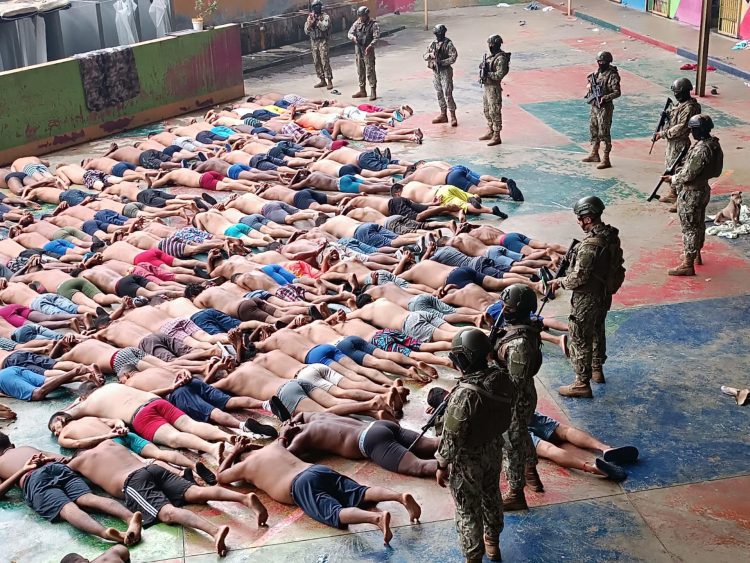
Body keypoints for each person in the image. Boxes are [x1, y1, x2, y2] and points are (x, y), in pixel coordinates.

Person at [67, 440, 268, 557]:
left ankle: (215, 532)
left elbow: (62, 471)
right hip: (152, 468)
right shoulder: (108, 443)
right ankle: (245, 499)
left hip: (132, 482)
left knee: (167, 513)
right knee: (195, 493)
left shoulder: (77, 461)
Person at [217, 438, 421, 545]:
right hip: (314, 469)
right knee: (361, 491)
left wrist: (234, 452)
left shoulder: (244, 466)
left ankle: (375, 519)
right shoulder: (273, 447)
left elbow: (221, 476)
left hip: (298, 485)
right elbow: (281, 439)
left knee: (335, 512)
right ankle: (399, 497)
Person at [435, 329, 513, 563]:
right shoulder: (501, 379)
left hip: (468, 460)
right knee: (491, 495)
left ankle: (473, 556)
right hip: (493, 449)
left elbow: (451, 436)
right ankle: (493, 544)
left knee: (467, 509)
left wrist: (441, 463)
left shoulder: (463, 396)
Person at [0, 432, 142, 545]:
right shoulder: (26, 448)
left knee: (68, 509)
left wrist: (22, 471)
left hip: (32, 478)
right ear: (11, 445)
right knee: (88, 498)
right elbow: (62, 458)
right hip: (55, 467)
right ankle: (129, 517)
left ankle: (105, 533)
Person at [550, 196, 625, 398]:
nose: (579, 222)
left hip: (586, 298)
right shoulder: (610, 236)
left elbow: (579, 278)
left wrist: (560, 281)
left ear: (588, 218)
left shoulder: (590, 245)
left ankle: (581, 383)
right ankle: (596, 369)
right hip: (603, 294)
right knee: (597, 329)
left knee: (580, 336)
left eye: (580, 217)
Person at [491, 285, 545, 510]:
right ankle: (530, 470)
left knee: (511, 442)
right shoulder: (517, 330)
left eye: (508, 307)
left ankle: (515, 492)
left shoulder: (519, 344)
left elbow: (515, 381)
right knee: (521, 434)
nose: (504, 310)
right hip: (518, 396)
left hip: (515, 399)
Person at [280, 411, 438, 477]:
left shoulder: (303, 437)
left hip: (369, 441)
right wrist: (291, 423)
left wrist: (282, 436)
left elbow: (282, 456)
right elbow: (300, 414)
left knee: (419, 466)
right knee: (430, 443)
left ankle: (453, 467)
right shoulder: (314, 417)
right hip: (378, 425)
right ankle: (460, 446)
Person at [661, 114, 723, 276]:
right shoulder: (713, 145)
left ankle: (688, 263)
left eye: (692, 129)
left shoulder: (702, 149)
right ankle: (695, 254)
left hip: (691, 192)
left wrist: (673, 178)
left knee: (689, 227)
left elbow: (688, 174)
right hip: (702, 189)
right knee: (698, 223)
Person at [527, 412, 639, 481]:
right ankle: (605, 448)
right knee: (566, 431)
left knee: (548, 449)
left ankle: (592, 468)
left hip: (510, 423)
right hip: (523, 409)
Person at [653, 78, 701, 208]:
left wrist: (662, 134)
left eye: (677, 92)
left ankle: (681, 198)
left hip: (680, 142)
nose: (676, 95)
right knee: (670, 167)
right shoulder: (680, 105)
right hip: (672, 143)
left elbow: (682, 127)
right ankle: (673, 193)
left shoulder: (690, 107)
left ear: (684, 92)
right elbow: (674, 117)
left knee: (678, 169)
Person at [581, 51, 621, 169]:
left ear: (608, 62)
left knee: (604, 132)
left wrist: (605, 98)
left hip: (605, 107)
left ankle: (606, 158)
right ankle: (594, 153)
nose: (600, 63)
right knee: (593, 129)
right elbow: (590, 83)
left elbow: (617, 92)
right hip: (595, 106)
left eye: (603, 61)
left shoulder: (612, 75)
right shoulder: (596, 73)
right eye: (599, 61)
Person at [478, 35, 510, 146]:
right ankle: (490, 130)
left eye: (491, 44)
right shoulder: (491, 57)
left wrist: (488, 74)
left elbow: (499, 75)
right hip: (487, 87)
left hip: (494, 88)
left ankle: (497, 135)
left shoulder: (501, 58)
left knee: (494, 111)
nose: (490, 46)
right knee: (486, 110)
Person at [424, 24, 458, 127]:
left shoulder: (448, 44)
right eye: (437, 34)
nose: (438, 36)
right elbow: (425, 55)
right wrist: (430, 56)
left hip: (445, 71)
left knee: (448, 93)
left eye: (440, 34)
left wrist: (442, 62)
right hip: (436, 72)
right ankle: (443, 114)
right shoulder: (433, 44)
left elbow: (453, 57)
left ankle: (453, 115)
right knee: (439, 92)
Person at [348, 6, 380, 100]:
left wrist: (370, 46)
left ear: (366, 15)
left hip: (368, 49)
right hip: (358, 49)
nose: (361, 18)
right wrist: (353, 38)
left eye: (362, 16)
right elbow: (349, 33)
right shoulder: (357, 23)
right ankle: (362, 90)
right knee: (360, 69)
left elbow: (376, 37)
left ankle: (373, 90)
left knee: (370, 69)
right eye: (360, 16)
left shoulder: (373, 24)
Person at [304, 0, 333, 90]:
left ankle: (329, 80)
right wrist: (310, 23)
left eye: (318, 6)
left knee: (325, 60)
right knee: (316, 61)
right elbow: (306, 31)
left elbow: (324, 27)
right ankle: (322, 79)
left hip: (323, 40)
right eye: (314, 6)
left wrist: (316, 21)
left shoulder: (325, 16)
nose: (316, 8)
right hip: (314, 41)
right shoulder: (310, 17)